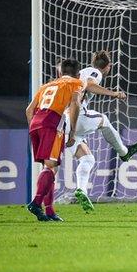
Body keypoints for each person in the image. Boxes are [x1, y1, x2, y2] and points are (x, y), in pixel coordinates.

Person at [59, 51, 137, 210]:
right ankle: (124, 152)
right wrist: (114, 94)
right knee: (103, 119)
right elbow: (90, 85)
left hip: (64, 124)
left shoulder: (78, 73)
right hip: (77, 117)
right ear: (108, 66)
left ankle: (81, 190)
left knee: (87, 159)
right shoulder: (94, 72)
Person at [25, 59, 84, 221]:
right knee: (51, 166)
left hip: (36, 122)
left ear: (60, 73)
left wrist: (35, 128)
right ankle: (36, 203)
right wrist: (72, 131)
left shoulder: (46, 85)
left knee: (50, 168)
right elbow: (75, 104)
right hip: (52, 123)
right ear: (77, 74)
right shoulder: (76, 83)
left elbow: (29, 110)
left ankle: (49, 211)